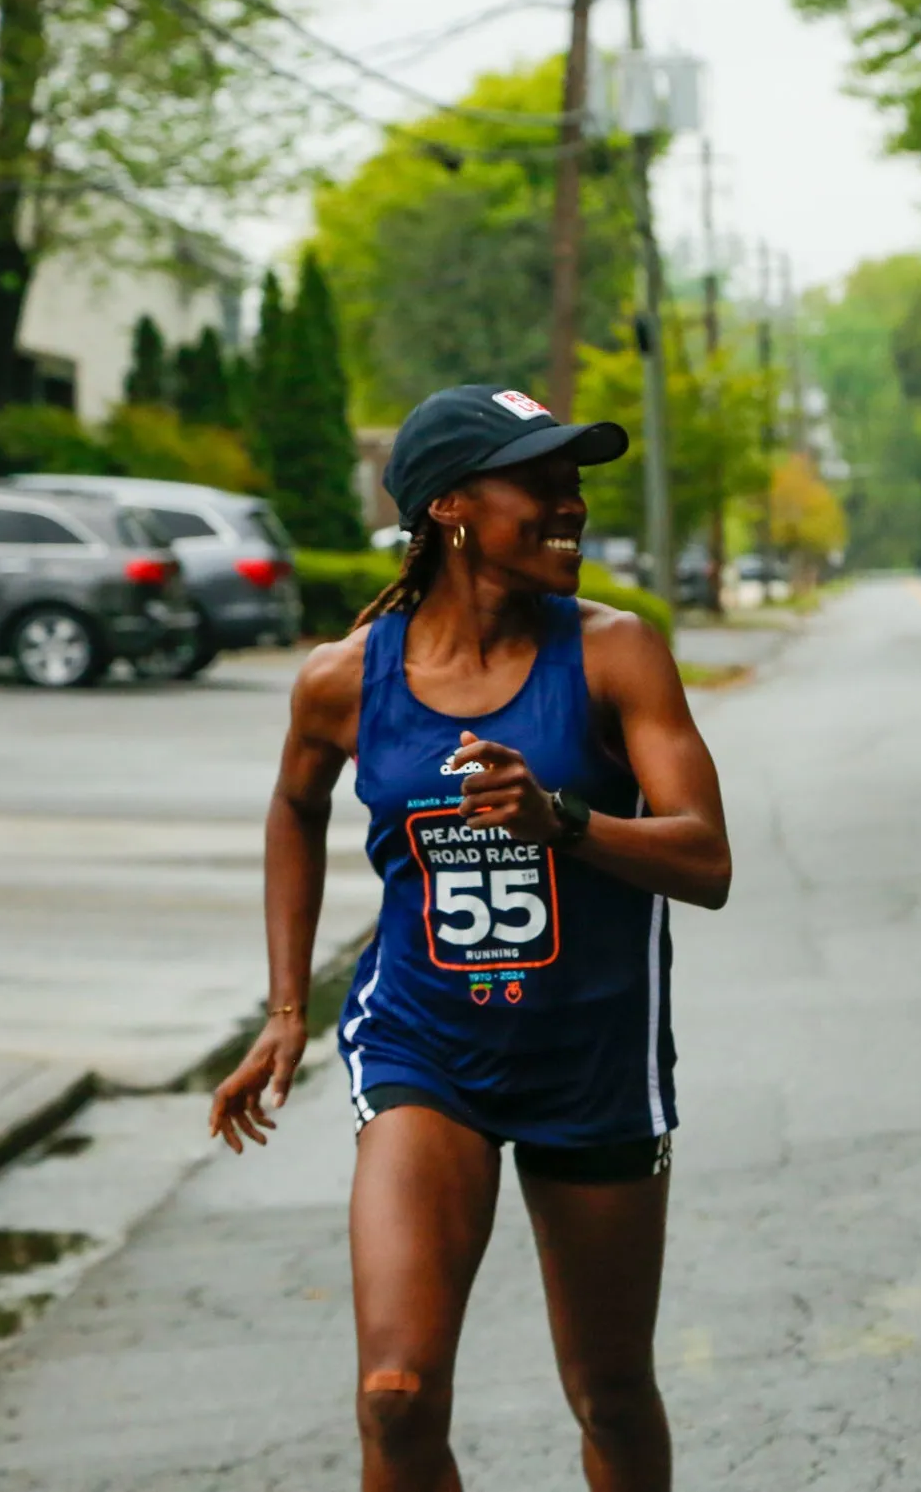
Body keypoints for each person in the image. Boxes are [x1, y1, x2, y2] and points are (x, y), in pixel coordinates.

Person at [209, 384, 731, 1492]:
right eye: (539, 483)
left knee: (610, 1393)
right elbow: (295, 808)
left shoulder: (614, 655)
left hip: (593, 1060)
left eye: (574, 480)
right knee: (392, 1397)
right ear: (449, 505)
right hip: (425, 1050)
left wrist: (565, 819)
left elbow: (706, 861)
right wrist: (288, 1010)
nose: (570, 504)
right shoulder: (343, 680)